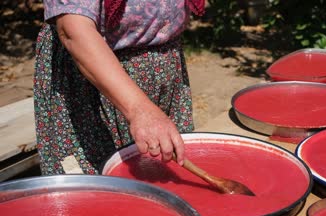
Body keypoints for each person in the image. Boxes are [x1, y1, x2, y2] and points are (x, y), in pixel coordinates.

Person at [33, 0, 205, 175]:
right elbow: (74, 30)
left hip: (165, 72)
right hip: (93, 84)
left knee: (167, 178)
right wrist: (141, 110)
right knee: (97, 191)